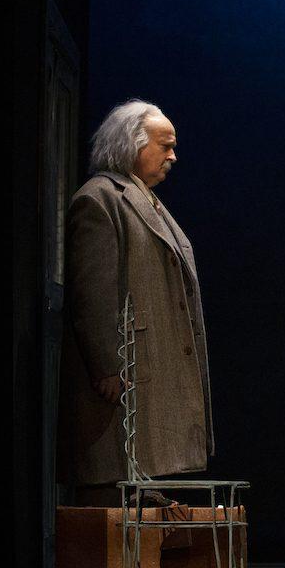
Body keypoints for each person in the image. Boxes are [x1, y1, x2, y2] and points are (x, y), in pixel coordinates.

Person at [59, 99, 213, 503]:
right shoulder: (99, 199)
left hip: (146, 371)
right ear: (132, 145)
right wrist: (106, 367)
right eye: (165, 146)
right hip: (124, 376)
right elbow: (92, 291)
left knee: (144, 496)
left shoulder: (146, 199)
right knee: (112, 496)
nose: (173, 157)